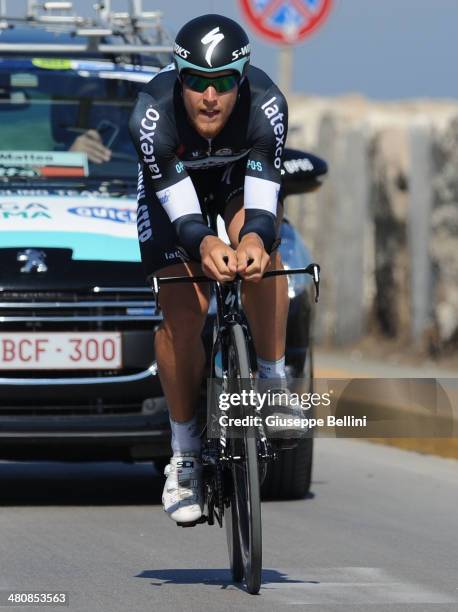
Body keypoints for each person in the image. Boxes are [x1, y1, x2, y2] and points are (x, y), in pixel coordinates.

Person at [129, 14, 304, 524]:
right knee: (186, 306)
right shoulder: (152, 115)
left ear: (242, 78)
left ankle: (271, 381)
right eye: (198, 82)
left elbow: (265, 206)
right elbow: (184, 219)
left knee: (264, 259)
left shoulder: (267, 106)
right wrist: (206, 243)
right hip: (174, 191)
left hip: (233, 177)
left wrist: (251, 240)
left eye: (225, 81)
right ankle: (183, 456)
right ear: (178, 77)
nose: (211, 96)